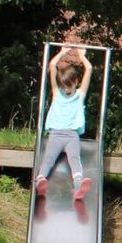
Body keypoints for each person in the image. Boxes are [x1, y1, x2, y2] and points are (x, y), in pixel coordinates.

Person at [35, 45, 94, 201]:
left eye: (69, 86)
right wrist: (62, 52)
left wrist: (82, 56)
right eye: (64, 86)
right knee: (48, 159)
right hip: (56, 134)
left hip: (71, 135)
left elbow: (89, 69)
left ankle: (78, 186)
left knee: (75, 159)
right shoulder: (57, 93)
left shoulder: (80, 95)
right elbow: (52, 66)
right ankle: (40, 180)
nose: (66, 89)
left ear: (76, 82)